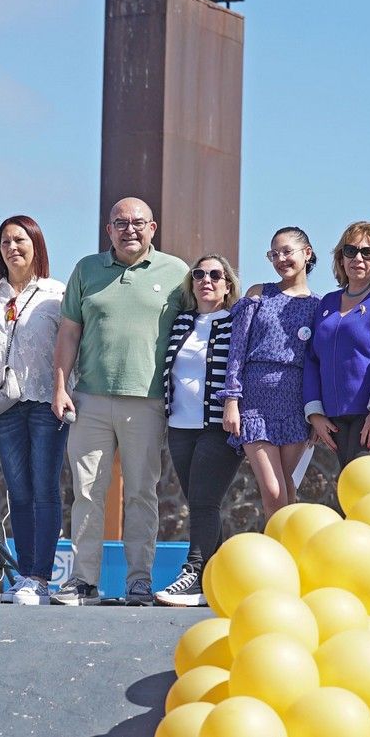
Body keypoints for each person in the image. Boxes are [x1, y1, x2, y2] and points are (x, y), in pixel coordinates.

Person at [50, 197, 186, 606]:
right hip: (89, 399)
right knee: (87, 491)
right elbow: (69, 333)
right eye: (120, 223)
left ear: (153, 227)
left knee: (142, 493)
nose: (130, 229)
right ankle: (84, 581)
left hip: (148, 402)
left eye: (138, 223)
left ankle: (139, 580)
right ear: (108, 229)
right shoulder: (87, 270)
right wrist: (60, 386)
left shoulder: (177, 273)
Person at [0, 215, 67, 606]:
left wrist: (65, 391)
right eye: (5, 242)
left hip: (45, 401)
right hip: (5, 404)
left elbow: (72, 347)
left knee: (44, 489)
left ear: (36, 244)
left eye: (20, 240)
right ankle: (23, 575)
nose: (12, 248)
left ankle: (41, 577)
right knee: (17, 491)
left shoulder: (56, 293)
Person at [155, 254, 244, 607]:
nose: (206, 280)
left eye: (215, 275)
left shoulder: (237, 322)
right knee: (201, 503)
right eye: (199, 274)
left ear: (227, 284)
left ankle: (193, 574)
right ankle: (218, 582)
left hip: (218, 426)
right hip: (180, 426)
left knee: (205, 502)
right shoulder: (181, 322)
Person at [220, 227, 322, 519]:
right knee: (273, 490)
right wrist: (231, 399)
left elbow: (319, 361)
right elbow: (236, 349)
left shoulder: (320, 305)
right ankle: (275, 555)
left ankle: (286, 554)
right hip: (255, 402)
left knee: (287, 488)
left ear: (307, 253)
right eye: (273, 254)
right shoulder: (258, 294)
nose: (280, 259)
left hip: (296, 403)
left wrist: (317, 412)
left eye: (287, 251)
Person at [303, 222, 370, 474]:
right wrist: (315, 413)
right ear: (341, 258)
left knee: (364, 487)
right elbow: (311, 359)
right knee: (345, 493)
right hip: (333, 419)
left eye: (368, 252)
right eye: (350, 251)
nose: (358, 258)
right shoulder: (327, 303)